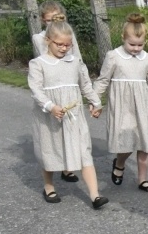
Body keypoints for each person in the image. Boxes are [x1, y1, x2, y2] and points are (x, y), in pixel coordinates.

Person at [28, 14, 108, 209]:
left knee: (84, 151)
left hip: (74, 115)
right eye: (59, 45)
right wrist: (51, 107)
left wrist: (95, 102)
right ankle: (49, 186)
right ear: (48, 41)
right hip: (50, 116)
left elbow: (85, 85)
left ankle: (95, 195)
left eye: (68, 45)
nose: (64, 48)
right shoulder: (38, 64)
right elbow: (36, 90)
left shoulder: (75, 62)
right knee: (50, 150)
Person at [93, 13, 148, 193]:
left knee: (144, 142)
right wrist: (95, 101)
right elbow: (103, 80)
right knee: (125, 141)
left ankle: (143, 179)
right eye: (132, 44)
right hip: (122, 106)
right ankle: (120, 163)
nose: (136, 48)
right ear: (123, 38)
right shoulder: (113, 56)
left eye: (140, 44)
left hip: (142, 105)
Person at [32, 0, 84, 183]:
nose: (52, 23)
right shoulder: (40, 37)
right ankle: (53, 173)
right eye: (49, 20)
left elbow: (75, 54)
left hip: (68, 83)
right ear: (42, 21)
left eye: (56, 19)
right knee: (53, 133)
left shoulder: (68, 36)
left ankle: (68, 167)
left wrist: (82, 77)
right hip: (52, 85)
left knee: (69, 129)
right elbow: (46, 52)